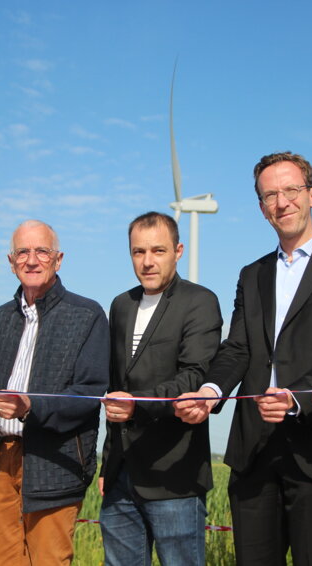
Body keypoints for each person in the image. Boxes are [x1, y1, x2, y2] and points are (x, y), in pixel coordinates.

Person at [174, 151, 312, 565]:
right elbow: (238, 347)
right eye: (270, 195)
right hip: (254, 451)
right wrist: (211, 390)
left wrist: (296, 396)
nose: (282, 202)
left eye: (291, 190)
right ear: (262, 208)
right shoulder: (253, 274)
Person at [0, 220, 108, 566]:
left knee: (49, 561)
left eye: (41, 251)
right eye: (23, 252)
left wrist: (30, 406)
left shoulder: (87, 315)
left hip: (54, 463)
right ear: (11, 262)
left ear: (58, 259)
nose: (32, 260)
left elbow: (89, 394)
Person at [99, 212, 222, 566]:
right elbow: (115, 386)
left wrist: (137, 404)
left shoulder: (199, 301)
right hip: (122, 475)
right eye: (138, 252)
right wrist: (109, 464)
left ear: (178, 250)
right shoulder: (120, 305)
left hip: (175, 475)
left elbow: (194, 376)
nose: (148, 261)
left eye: (158, 250)